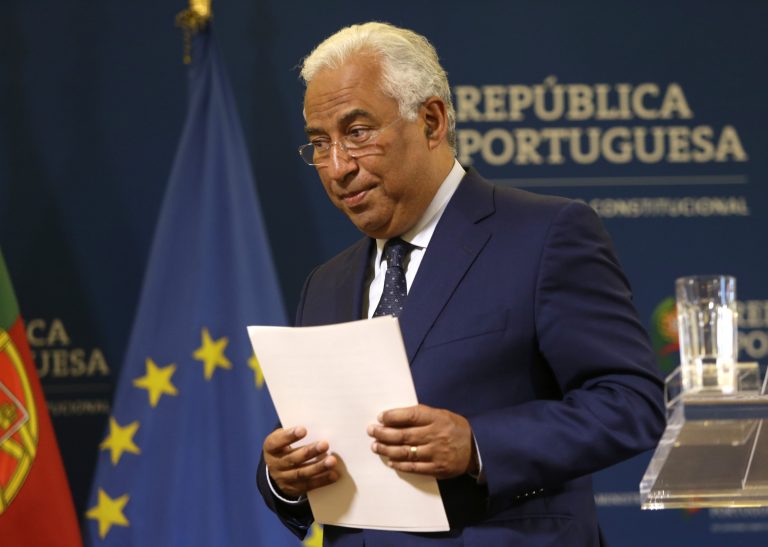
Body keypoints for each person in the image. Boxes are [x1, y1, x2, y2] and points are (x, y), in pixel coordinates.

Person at [257, 21, 665, 546]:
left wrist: (478, 446)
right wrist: (284, 479)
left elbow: (631, 402)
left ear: (431, 120)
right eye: (320, 143)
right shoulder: (326, 284)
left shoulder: (545, 235)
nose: (337, 168)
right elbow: (314, 446)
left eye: (357, 133)